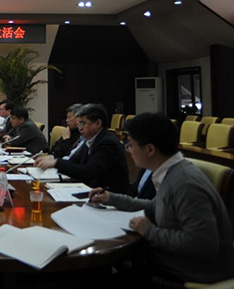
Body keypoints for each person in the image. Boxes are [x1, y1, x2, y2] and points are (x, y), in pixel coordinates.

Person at [90, 112, 234, 284]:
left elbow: (202, 243)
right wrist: (111, 198)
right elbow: (155, 206)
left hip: (190, 275)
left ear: (150, 149)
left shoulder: (184, 183)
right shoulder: (171, 171)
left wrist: (149, 231)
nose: (128, 150)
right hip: (170, 264)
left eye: (130, 145)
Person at [35, 103, 129, 192]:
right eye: (79, 123)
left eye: (83, 123)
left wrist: (56, 163)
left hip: (108, 196)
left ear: (98, 123)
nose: (80, 128)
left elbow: (89, 172)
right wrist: (53, 159)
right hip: (91, 190)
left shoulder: (107, 142)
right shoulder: (91, 139)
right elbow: (74, 162)